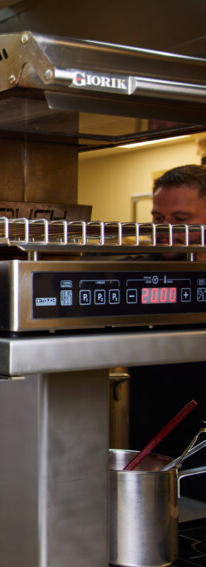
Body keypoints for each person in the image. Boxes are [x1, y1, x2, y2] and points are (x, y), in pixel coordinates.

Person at [129, 163, 206, 502]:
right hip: (147, 440)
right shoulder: (137, 272)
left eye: (180, 220)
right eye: (159, 220)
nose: (166, 230)